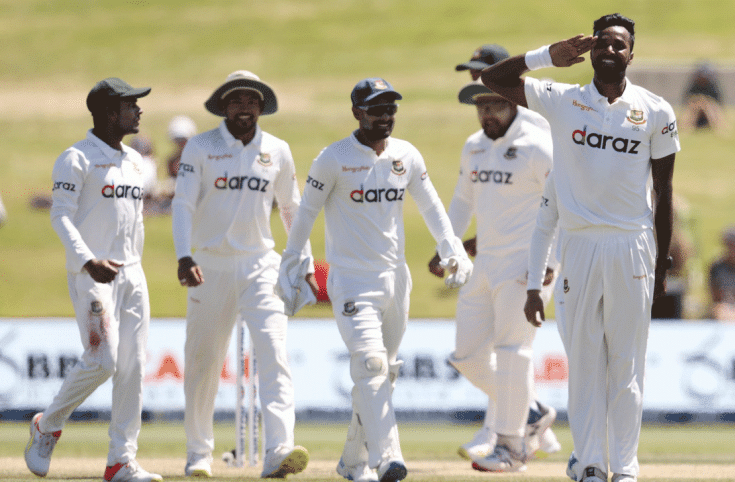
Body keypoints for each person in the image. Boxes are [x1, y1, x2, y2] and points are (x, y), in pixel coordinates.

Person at [482, 13, 680, 482]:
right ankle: (590, 463)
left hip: (632, 246)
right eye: (603, 44)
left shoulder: (656, 111)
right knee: (586, 363)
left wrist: (661, 265)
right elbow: (493, 79)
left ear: (633, 54)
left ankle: (625, 468)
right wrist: (546, 57)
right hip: (579, 246)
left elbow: (665, 194)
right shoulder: (562, 98)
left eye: (620, 45)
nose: (611, 51)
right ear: (591, 51)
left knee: (627, 366)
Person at [278, 77, 473, 482]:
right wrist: (294, 257)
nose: (386, 116)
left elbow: (432, 205)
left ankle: (352, 462)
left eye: (390, 108)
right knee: (371, 365)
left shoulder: (406, 155)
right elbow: (306, 212)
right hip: (350, 280)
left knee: (385, 373)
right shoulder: (333, 159)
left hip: (395, 279)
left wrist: (451, 247)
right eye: (376, 109)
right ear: (357, 112)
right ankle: (388, 458)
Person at [171, 70, 314, 479]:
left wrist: (300, 259)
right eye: (236, 101)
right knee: (202, 362)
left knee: (274, 353)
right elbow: (182, 205)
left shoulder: (278, 150)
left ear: (261, 106)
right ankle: (199, 455)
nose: (245, 107)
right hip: (209, 266)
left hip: (261, 265)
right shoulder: (201, 147)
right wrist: (184, 256)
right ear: (223, 106)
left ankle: (278, 451)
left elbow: (292, 208)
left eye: (252, 101)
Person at [25, 78, 162, 482]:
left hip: (132, 274)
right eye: (130, 105)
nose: (139, 111)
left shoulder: (136, 162)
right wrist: (87, 261)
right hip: (91, 273)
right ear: (108, 113)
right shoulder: (76, 158)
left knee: (133, 366)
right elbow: (60, 215)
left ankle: (121, 460)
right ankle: (47, 425)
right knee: (104, 360)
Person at [426, 80, 559, 472]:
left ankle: (511, 447)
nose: (488, 114)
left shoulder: (538, 145)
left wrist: (550, 259)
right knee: (466, 356)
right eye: (481, 107)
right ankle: (531, 410)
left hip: (526, 263)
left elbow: (564, 201)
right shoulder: (474, 145)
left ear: (514, 105)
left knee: (512, 351)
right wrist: (447, 246)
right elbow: (463, 198)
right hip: (484, 263)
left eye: (497, 105)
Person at [679, 62, 725, 133]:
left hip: (708, 115)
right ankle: (685, 128)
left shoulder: (712, 85)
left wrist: (705, 102)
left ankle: (719, 128)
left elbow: (718, 103)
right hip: (696, 113)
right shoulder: (694, 85)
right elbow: (687, 100)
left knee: (710, 105)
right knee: (695, 104)